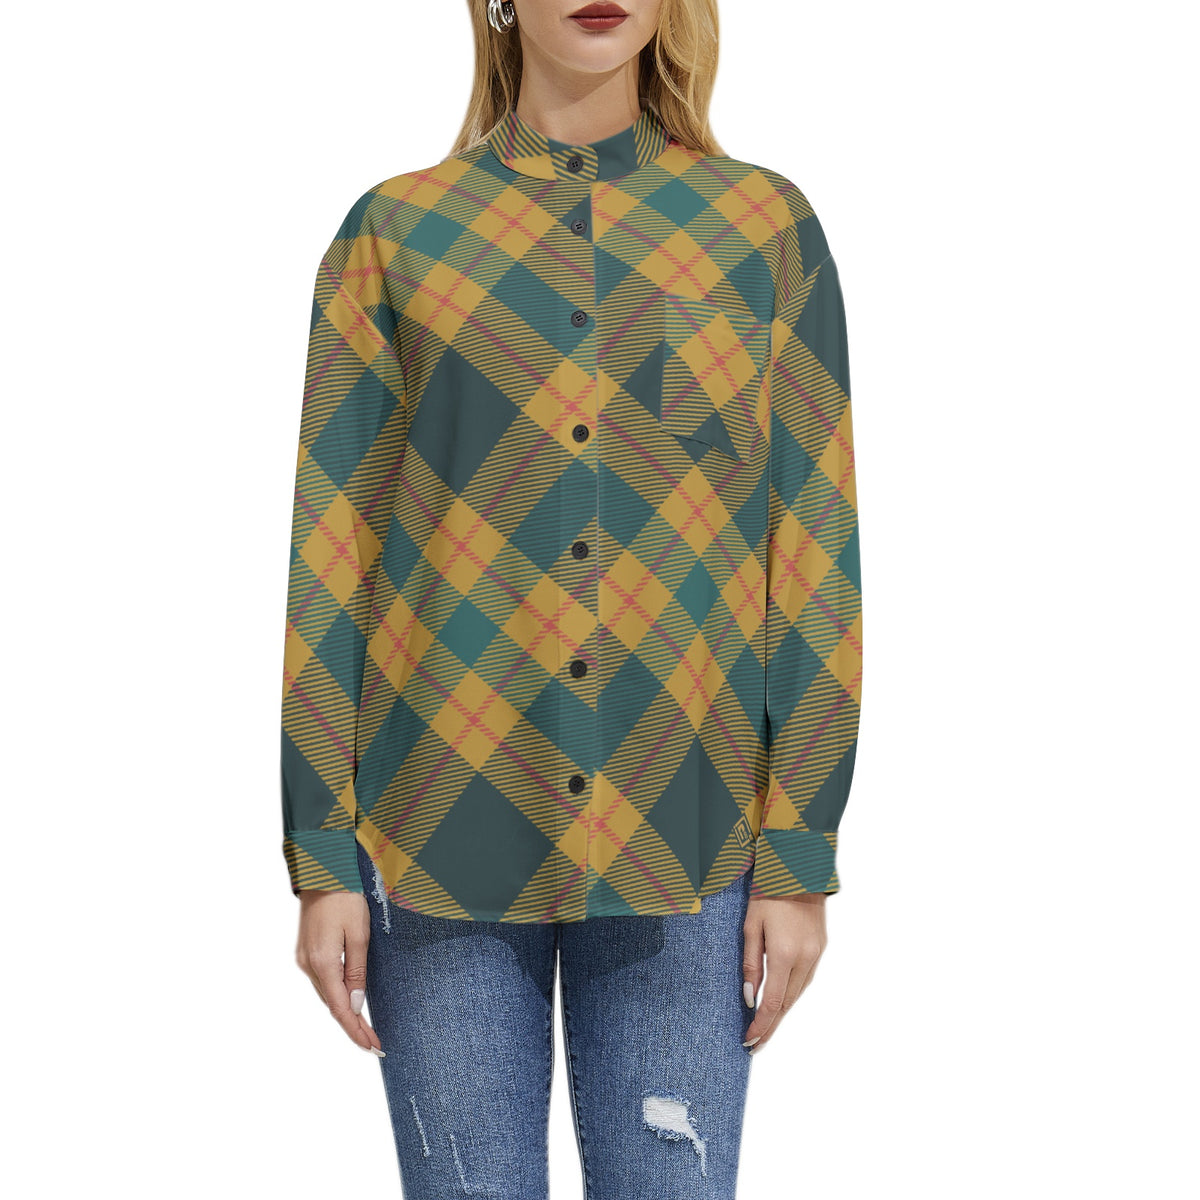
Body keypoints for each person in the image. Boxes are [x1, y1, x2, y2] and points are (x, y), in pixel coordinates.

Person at [279, 1, 862, 1195]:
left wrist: (800, 849)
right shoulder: (396, 235)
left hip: (688, 832)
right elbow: (333, 554)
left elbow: (811, 549)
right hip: (436, 828)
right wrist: (320, 851)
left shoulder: (764, 232)